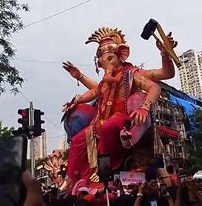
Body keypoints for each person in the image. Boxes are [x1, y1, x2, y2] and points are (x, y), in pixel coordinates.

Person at [65, 27, 161, 185]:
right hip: (99, 122)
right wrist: (77, 97)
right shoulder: (104, 83)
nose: (105, 65)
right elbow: (94, 91)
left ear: (121, 55)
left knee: (108, 128)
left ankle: (105, 171)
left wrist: (144, 107)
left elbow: (157, 84)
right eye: (102, 62)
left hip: (122, 118)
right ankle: (71, 179)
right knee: (77, 140)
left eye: (109, 58)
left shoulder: (130, 73)